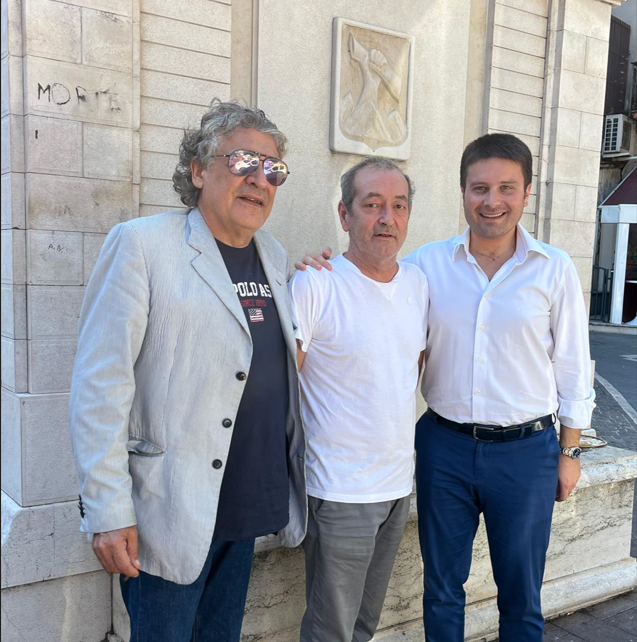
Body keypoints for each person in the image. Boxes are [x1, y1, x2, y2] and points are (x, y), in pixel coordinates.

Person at [297, 133, 594, 642]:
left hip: (526, 452)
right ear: (463, 192)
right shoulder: (424, 267)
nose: (492, 201)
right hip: (444, 447)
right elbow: (372, 281)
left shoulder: (555, 268)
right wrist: (317, 265)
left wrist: (570, 452)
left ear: (526, 193)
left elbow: (573, 365)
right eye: (480, 188)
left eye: (506, 188)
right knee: (441, 590)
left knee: (522, 596)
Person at [69, 99, 307, 642]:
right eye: (243, 161)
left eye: (273, 169)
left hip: (245, 501)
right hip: (170, 509)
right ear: (198, 170)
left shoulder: (273, 255)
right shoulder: (142, 244)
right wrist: (107, 509)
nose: (260, 179)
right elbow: (100, 387)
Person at [288, 156, 428, 642]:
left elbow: (410, 369)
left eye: (398, 205)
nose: (387, 217)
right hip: (339, 490)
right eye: (372, 205)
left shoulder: (418, 284)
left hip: (397, 486)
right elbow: (282, 383)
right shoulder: (316, 283)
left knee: (364, 625)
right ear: (345, 215)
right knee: (331, 630)